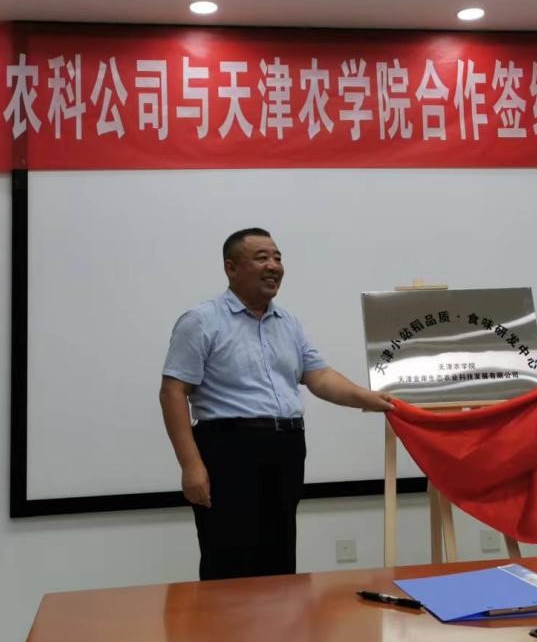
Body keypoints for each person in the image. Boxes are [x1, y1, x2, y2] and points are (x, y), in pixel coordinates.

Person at [159, 227, 394, 580]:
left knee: (279, 556)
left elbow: (319, 377)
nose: (273, 266)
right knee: (230, 558)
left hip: (286, 448)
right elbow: (173, 392)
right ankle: (226, 620)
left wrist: (370, 398)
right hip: (228, 449)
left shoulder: (288, 323)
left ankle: (281, 618)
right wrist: (191, 466)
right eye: (262, 258)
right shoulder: (201, 320)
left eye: (278, 258)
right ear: (231, 268)